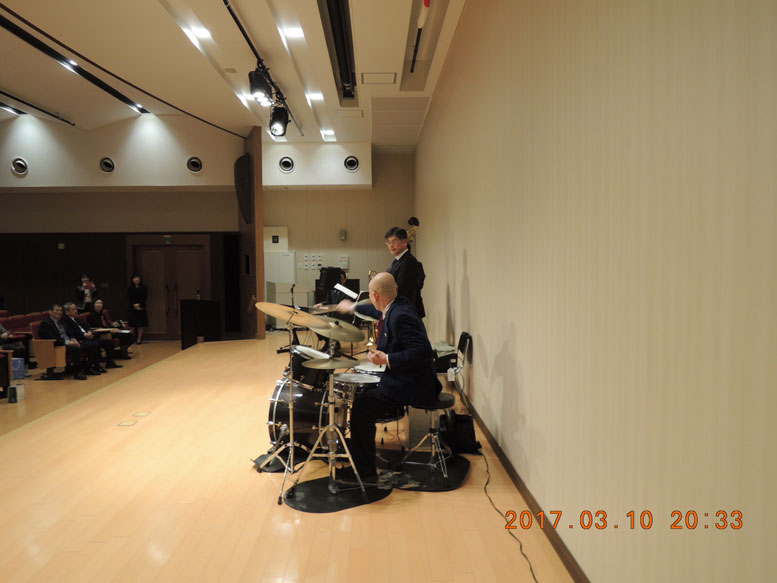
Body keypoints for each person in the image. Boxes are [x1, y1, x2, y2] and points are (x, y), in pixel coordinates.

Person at [336, 272, 441, 479]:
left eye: (371, 296)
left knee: (361, 407)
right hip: (406, 377)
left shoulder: (400, 316)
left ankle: (364, 471)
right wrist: (353, 307)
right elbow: (376, 311)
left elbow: (423, 352)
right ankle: (362, 456)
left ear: (375, 296)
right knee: (364, 394)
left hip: (415, 385)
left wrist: (387, 358)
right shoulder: (397, 305)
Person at [38, 304, 92, 380]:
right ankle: (77, 373)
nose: (59, 312)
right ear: (50, 312)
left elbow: (69, 333)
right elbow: (51, 338)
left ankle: (86, 368)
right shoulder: (46, 323)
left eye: (60, 310)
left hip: (67, 343)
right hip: (56, 345)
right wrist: (68, 342)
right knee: (76, 349)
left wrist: (73, 339)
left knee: (86, 344)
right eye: (57, 310)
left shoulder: (62, 321)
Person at [62, 302, 122, 371]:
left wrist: (89, 332)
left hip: (87, 337)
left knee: (108, 342)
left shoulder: (76, 318)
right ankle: (92, 366)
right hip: (79, 340)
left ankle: (110, 363)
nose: (76, 311)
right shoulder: (64, 320)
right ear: (67, 312)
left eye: (76, 309)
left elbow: (86, 325)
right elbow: (70, 332)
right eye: (73, 309)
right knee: (94, 345)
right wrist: (84, 335)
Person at [384, 227, 426, 317]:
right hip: (400, 309)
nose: (391, 245)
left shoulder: (408, 261)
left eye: (394, 241)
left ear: (405, 242)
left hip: (405, 311)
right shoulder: (397, 261)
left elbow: (401, 290)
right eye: (389, 242)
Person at [127, 273, 148, 344]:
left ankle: (139, 339)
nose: (136, 279)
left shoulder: (143, 287)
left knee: (141, 324)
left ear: (140, 279)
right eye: (135, 278)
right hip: (132, 307)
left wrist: (139, 304)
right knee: (132, 325)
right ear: (132, 280)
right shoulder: (130, 288)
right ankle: (131, 340)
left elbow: (144, 297)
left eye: (137, 278)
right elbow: (129, 298)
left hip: (141, 307)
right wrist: (134, 305)